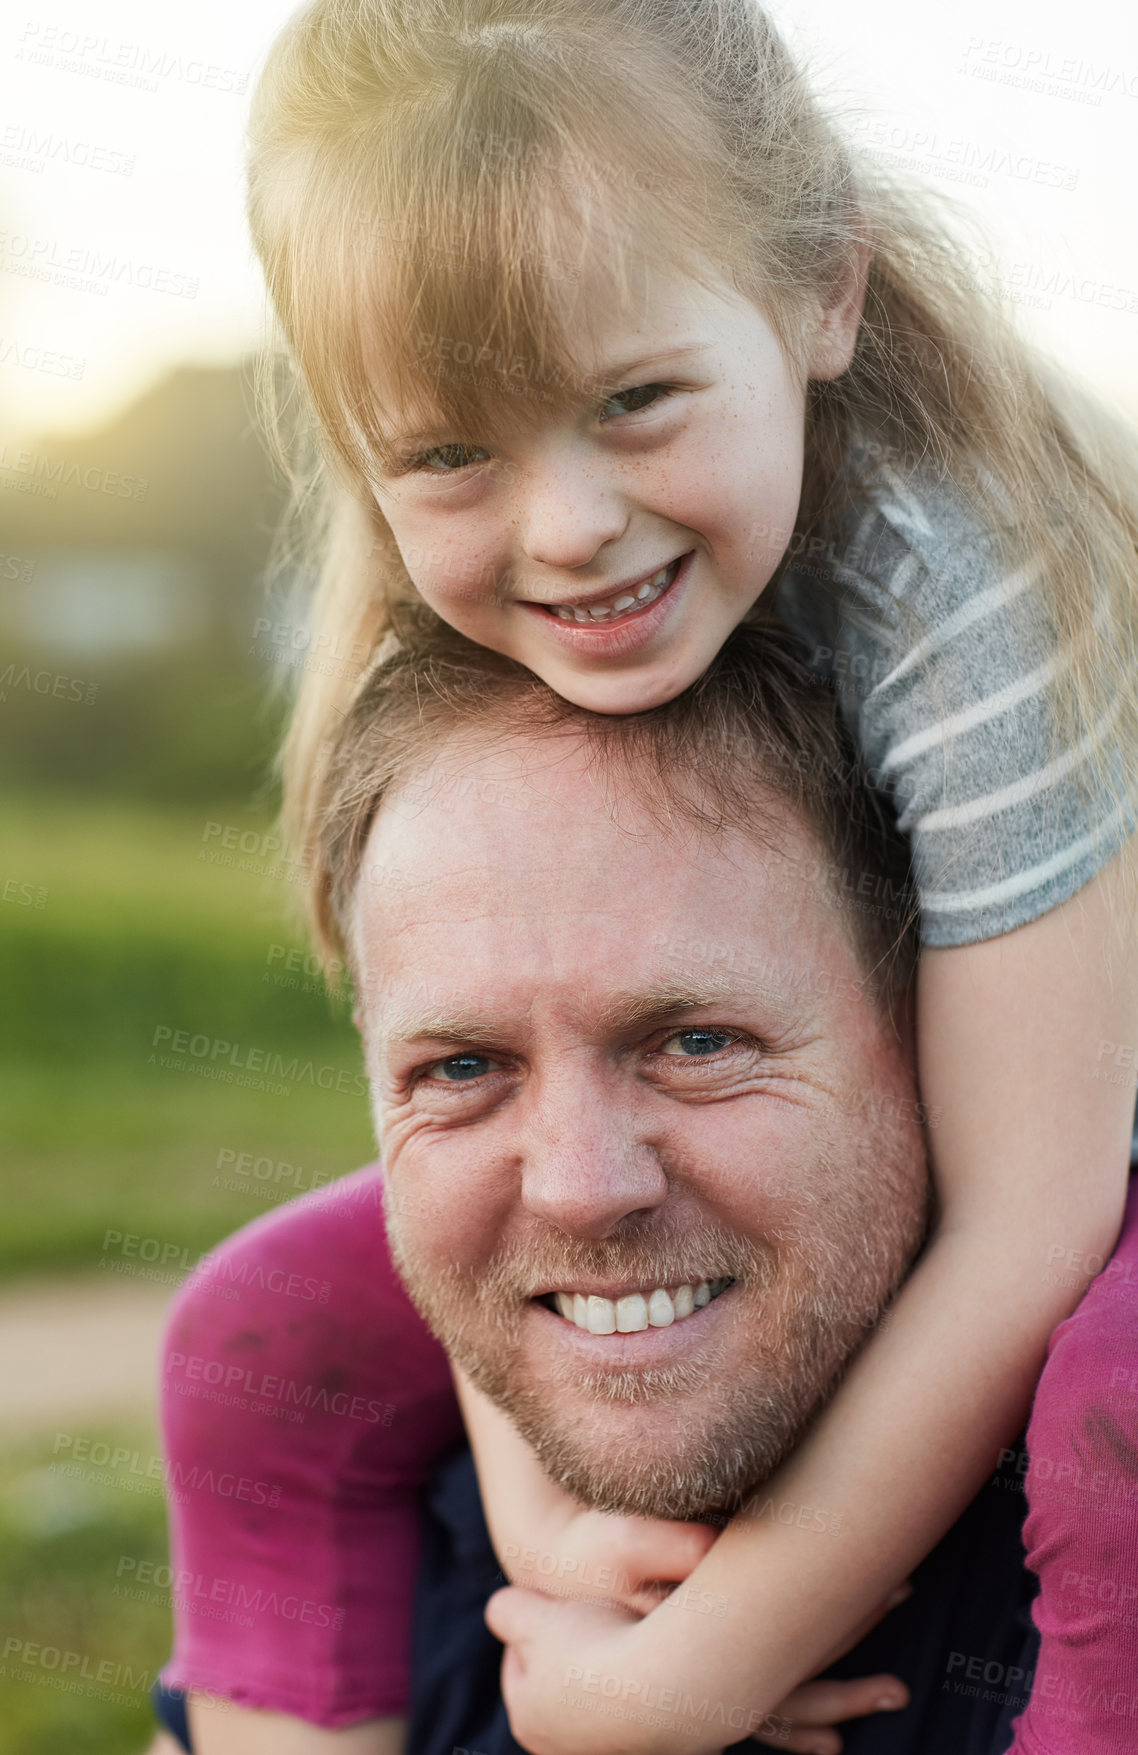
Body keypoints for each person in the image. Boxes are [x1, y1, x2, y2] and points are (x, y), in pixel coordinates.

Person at [158, 0, 1138, 1743]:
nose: (565, 526)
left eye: (633, 401)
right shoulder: (441, 584)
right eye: (451, 450)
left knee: (1115, 1412)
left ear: (820, 290)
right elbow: (472, 1130)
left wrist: (682, 1673)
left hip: (1080, 1105)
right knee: (261, 1341)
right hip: (824, 1081)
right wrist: (558, 1544)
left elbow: (1031, 1214)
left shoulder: (959, 577)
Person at [151, 626, 1138, 1755]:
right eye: (461, 1069)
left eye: (699, 1042)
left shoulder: (1094, 1553)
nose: (579, 1189)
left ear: (937, 1043)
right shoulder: (383, 1529)